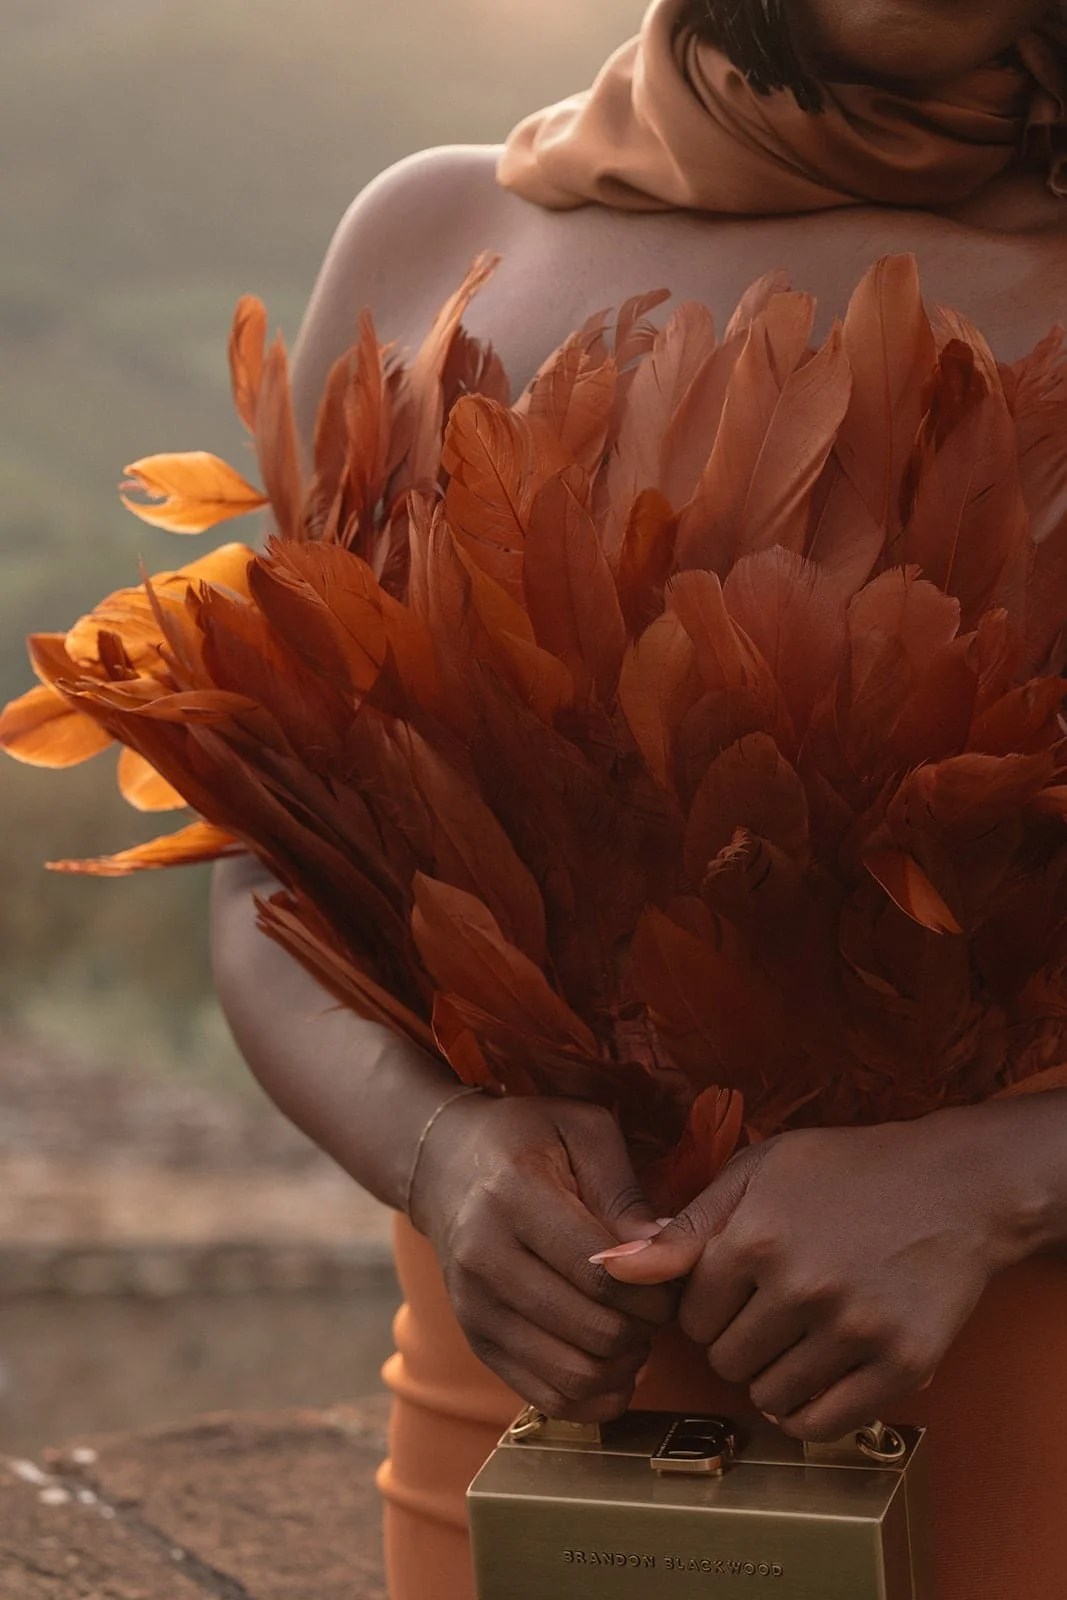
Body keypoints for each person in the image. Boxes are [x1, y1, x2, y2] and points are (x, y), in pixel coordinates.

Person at [211, 3, 1067, 1596]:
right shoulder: (433, 232)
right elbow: (265, 882)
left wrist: (992, 1183)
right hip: (522, 1455)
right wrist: (439, 1153)